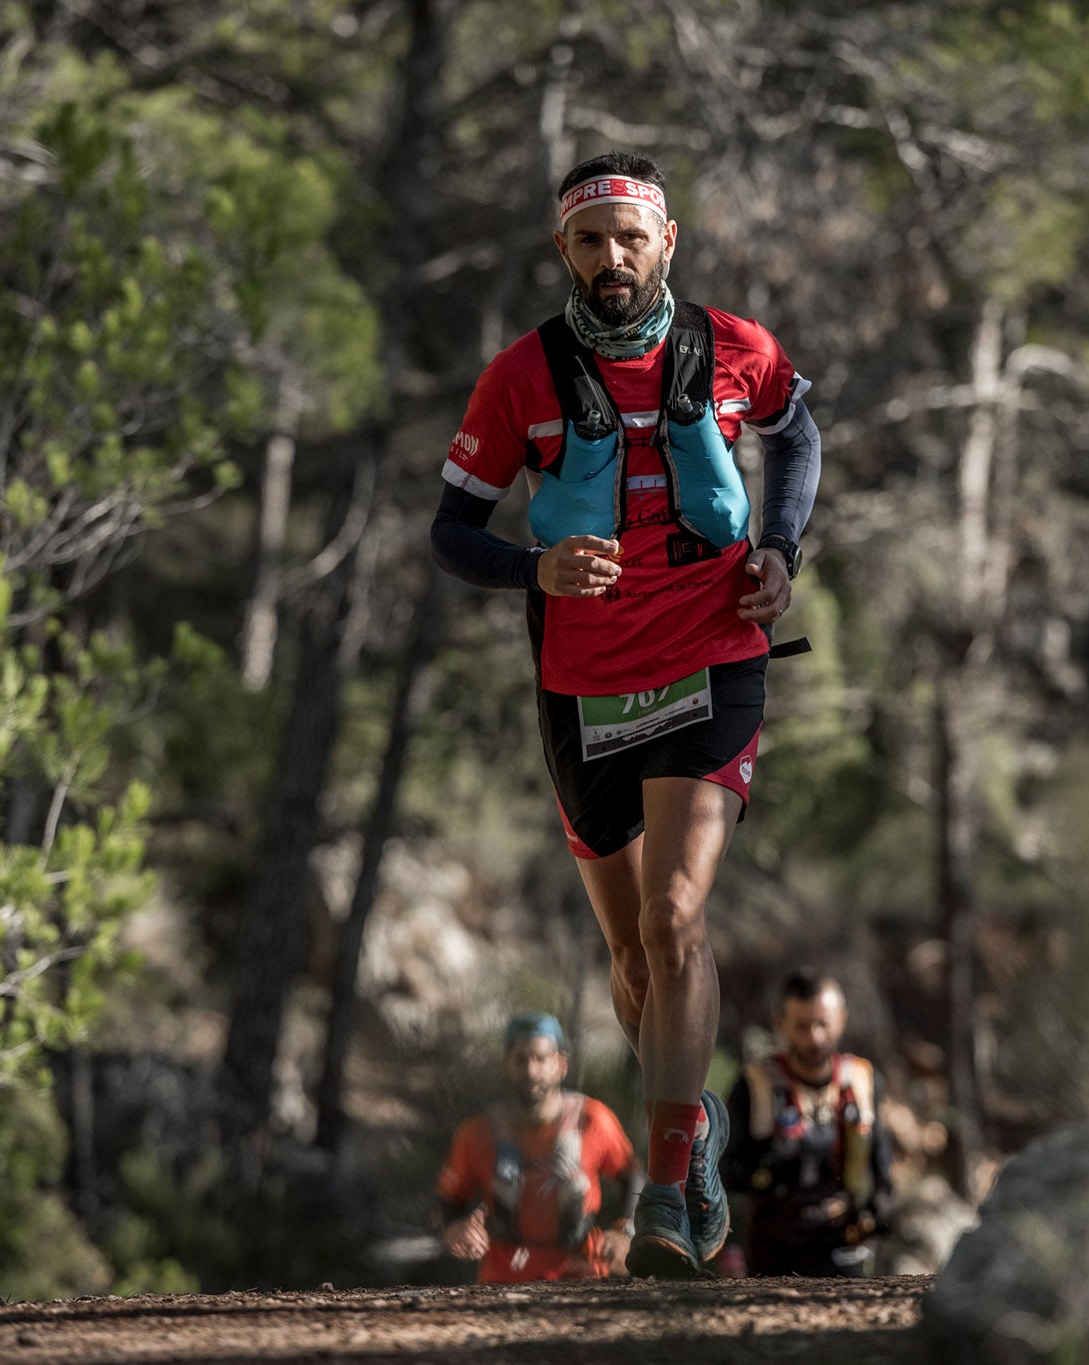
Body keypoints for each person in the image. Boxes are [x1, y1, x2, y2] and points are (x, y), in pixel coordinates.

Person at [429, 151, 821, 1278]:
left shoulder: (736, 348)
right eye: (588, 240)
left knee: (676, 918)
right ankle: (688, 1136)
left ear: (667, 241)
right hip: (584, 682)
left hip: (713, 659)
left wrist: (781, 552)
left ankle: (657, 1191)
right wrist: (532, 570)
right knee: (632, 961)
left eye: (628, 237)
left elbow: (795, 432)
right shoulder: (518, 378)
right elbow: (450, 528)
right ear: (564, 251)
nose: (611, 258)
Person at [435, 1012, 644, 1282]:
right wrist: (455, 1231)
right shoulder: (476, 1133)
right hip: (501, 1281)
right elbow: (448, 1201)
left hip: (582, 1277)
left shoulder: (593, 1119)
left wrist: (625, 1230)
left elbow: (633, 1175)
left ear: (561, 1064)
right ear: (505, 1064)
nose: (531, 1071)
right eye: (520, 1060)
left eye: (541, 1059)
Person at [722, 970, 895, 1277]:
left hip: (846, 1246)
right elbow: (724, 1169)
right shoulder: (755, 1085)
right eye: (802, 1026)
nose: (815, 1037)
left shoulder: (861, 1081)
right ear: (781, 1025)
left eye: (823, 1024)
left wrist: (876, 1211)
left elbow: (880, 1165)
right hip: (774, 1252)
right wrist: (770, 1173)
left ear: (841, 1020)